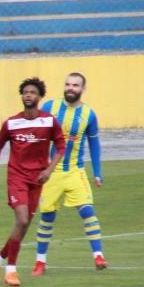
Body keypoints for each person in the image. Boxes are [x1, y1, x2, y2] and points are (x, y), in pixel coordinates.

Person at [0, 77, 66, 287]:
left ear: (40, 97)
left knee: (23, 226)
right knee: (22, 220)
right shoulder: (12, 123)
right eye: (25, 92)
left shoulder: (49, 121)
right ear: (22, 96)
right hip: (17, 177)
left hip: (37, 179)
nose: (28, 95)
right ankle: (10, 270)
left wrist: (49, 170)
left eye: (32, 92)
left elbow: (61, 146)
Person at [34, 72, 107, 274]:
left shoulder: (88, 114)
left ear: (83, 89)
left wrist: (98, 172)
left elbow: (94, 143)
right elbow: (38, 136)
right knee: (47, 216)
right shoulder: (50, 107)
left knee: (87, 210)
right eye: (67, 84)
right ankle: (40, 262)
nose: (70, 88)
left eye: (75, 85)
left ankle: (98, 256)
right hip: (51, 173)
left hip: (75, 170)